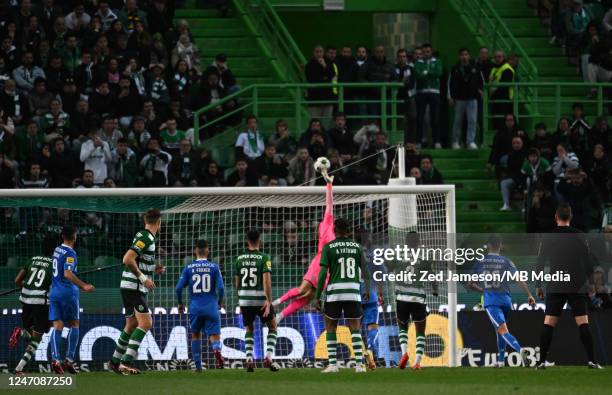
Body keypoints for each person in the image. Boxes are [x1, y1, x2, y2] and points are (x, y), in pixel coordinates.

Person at [535, 204, 603, 369]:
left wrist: (538, 285)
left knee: (549, 322)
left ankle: (541, 361)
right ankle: (592, 361)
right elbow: (588, 262)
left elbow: (540, 262)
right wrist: (591, 283)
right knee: (583, 323)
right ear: (570, 217)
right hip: (576, 284)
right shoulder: (580, 236)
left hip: (556, 283)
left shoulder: (548, 237)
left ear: (556, 217)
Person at [109, 208, 164, 375]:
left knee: (131, 324)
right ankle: (125, 363)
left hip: (129, 286)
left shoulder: (146, 237)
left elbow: (138, 260)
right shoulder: (146, 237)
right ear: (159, 222)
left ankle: (114, 362)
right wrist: (143, 278)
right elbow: (127, 258)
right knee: (146, 323)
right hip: (134, 287)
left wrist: (153, 268)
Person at [467, 235, 535, 367]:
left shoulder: (481, 262)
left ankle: (520, 351)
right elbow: (518, 278)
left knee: (502, 330)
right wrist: (529, 295)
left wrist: (482, 290)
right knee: (500, 330)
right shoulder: (506, 261)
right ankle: (500, 361)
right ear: (500, 246)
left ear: (487, 246)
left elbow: (470, 284)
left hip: (492, 302)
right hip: (506, 300)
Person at [273, 180, 335, 322]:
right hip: (320, 263)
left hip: (329, 269)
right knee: (301, 290)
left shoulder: (339, 237)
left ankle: (280, 316)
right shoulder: (327, 225)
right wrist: (329, 186)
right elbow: (329, 204)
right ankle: (277, 302)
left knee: (307, 298)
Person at [315, 218, 369, 373]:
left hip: (335, 293)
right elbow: (365, 271)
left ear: (334, 230)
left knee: (331, 326)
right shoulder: (357, 247)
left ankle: (333, 365)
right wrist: (367, 289)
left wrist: (318, 296)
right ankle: (359, 365)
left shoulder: (329, 247)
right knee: (355, 327)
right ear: (349, 230)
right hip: (353, 291)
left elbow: (323, 273)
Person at [49, 225, 95, 374]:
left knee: (58, 326)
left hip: (54, 292)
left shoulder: (56, 250)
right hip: (68, 293)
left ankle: (56, 360)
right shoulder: (70, 253)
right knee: (74, 324)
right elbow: (68, 274)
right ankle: (69, 360)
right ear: (75, 237)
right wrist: (84, 286)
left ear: (62, 236)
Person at [233, 228, 281, 372]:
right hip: (260, 299)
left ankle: (249, 358)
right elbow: (266, 281)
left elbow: (237, 283)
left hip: (245, 299)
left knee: (249, 328)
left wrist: (240, 300)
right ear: (259, 240)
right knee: (273, 326)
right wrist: (268, 300)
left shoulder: (239, 259)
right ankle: (269, 357)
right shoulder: (265, 258)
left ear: (247, 241)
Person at [9, 236, 56, 375]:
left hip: (25, 300)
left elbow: (17, 280)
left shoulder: (32, 259)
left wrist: (28, 287)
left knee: (31, 334)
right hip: (41, 302)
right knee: (37, 337)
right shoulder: (54, 264)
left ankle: (21, 332)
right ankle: (18, 369)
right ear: (54, 250)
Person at [176, 240, 225, 372]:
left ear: (195, 251)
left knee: (196, 335)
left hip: (195, 307)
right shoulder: (214, 267)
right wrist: (220, 301)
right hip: (211, 306)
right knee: (215, 335)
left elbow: (178, 288)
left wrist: (180, 303)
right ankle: (216, 349)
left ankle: (198, 367)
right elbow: (221, 288)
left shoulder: (189, 268)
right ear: (208, 251)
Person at [392, 232, 436, 370]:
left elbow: (386, 270)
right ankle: (417, 362)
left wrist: (381, 290)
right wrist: (435, 291)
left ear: (405, 242)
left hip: (402, 297)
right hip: (418, 298)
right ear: (418, 243)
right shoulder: (424, 258)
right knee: (420, 331)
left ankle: (404, 353)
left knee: (402, 327)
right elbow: (432, 277)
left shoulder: (398, 255)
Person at [448, 48, 483, 149]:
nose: (464, 57)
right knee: (458, 121)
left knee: (472, 121)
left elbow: (481, 80)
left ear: (469, 56)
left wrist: (481, 90)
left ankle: (470, 141)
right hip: (459, 99)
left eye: (466, 54)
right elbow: (450, 83)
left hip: (472, 98)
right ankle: (455, 141)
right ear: (459, 56)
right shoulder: (455, 68)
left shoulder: (475, 67)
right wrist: (450, 97)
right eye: (462, 55)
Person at [414, 44, 443, 148]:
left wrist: (426, 72)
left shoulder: (437, 61)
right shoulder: (418, 62)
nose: (426, 53)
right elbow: (418, 75)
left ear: (431, 52)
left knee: (435, 118)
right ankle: (418, 141)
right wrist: (430, 74)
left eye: (428, 51)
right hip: (421, 92)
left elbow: (439, 73)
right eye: (424, 52)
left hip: (434, 92)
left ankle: (437, 141)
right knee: (420, 118)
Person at [305, 45, 336, 119]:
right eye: (317, 52)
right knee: (315, 121)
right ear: (313, 53)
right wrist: (324, 77)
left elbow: (332, 75)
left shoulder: (328, 62)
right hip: (314, 98)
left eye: (320, 52)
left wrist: (324, 66)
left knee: (326, 121)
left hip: (327, 97)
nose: (319, 54)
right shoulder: (310, 64)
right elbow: (310, 78)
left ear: (323, 52)